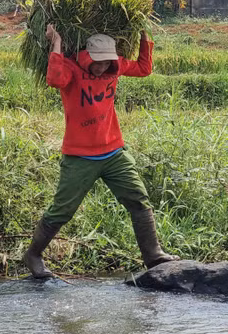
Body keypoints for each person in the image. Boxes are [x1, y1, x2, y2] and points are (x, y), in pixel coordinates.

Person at [23, 25, 180, 279]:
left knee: (138, 199)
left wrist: (144, 36)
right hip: (79, 156)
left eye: (106, 62)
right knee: (62, 210)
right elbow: (54, 79)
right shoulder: (72, 67)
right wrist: (57, 42)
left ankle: (153, 255)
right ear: (87, 56)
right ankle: (33, 255)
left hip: (114, 152)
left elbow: (144, 68)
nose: (101, 67)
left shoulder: (114, 67)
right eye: (97, 62)